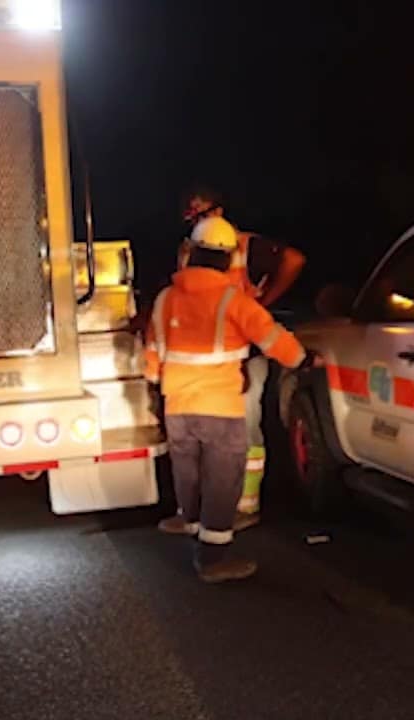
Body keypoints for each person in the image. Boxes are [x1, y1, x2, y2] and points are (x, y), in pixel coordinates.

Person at [144, 216, 316, 583]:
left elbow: (153, 351)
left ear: (191, 253)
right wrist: (304, 360)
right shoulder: (233, 301)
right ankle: (212, 559)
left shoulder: (165, 299)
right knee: (223, 480)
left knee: (187, 472)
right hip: (219, 406)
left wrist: (155, 389)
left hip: (177, 404)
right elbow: (272, 339)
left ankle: (191, 523)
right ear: (227, 260)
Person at [159, 186, 306, 532]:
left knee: (245, 428)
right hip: (204, 366)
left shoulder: (245, 244)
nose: (195, 220)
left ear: (220, 211)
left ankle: (244, 505)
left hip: (243, 355)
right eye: (190, 216)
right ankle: (199, 514)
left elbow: (294, 260)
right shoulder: (187, 250)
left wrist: (264, 302)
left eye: (200, 213)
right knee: (197, 446)